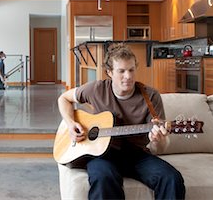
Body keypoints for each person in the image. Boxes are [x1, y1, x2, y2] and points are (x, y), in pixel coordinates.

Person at [57, 43, 185, 200]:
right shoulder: (96, 89)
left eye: (131, 70)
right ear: (109, 72)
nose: (128, 76)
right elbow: (64, 99)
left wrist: (158, 140)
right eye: (121, 71)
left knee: (171, 178)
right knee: (104, 178)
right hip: (102, 154)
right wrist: (71, 124)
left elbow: (159, 148)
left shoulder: (150, 97)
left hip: (137, 155)